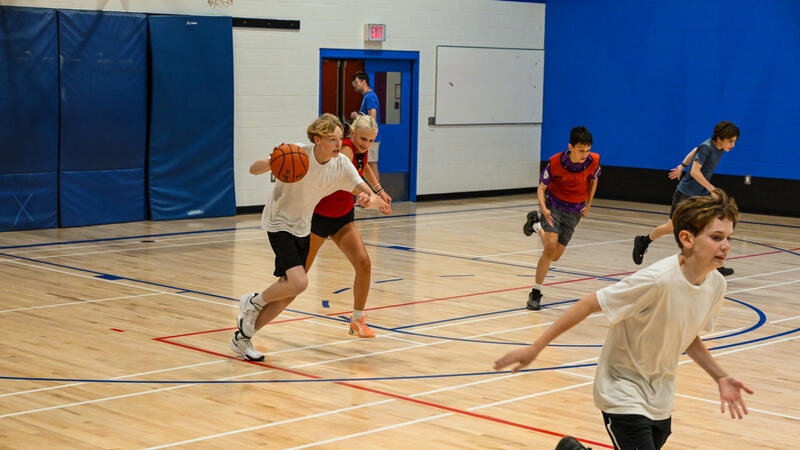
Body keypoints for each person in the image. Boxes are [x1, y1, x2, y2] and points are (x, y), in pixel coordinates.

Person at [495, 189, 753, 450]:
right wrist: (535, 347)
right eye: (717, 237)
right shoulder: (658, 279)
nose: (726, 245)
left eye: (729, 237)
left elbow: (687, 336)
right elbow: (588, 303)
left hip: (660, 395)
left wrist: (720, 376)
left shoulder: (716, 285)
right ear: (686, 238)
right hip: (622, 389)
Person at [231, 113, 391, 361]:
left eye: (340, 139)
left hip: (303, 226)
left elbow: (367, 194)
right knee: (299, 283)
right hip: (279, 222)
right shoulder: (296, 154)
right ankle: (253, 302)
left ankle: (243, 337)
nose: (339, 144)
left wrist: (369, 199)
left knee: (289, 290)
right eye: (332, 139)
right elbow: (253, 169)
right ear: (317, 140)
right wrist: (273, 162)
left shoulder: (342, 165)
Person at [304, 114, 391, 339]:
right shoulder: (345, 152)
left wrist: (378, 191)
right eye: (363, 139)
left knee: (363, 263)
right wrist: (365, 195)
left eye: (371, 141)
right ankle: (257, 309)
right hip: (319, 217)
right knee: (298, 277)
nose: (366, 144)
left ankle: (357, 320)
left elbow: (364, 168)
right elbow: (341, 180)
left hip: (342, 218)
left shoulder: (360, 151)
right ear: (352, 134)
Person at [633, 121, 739, 276]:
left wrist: (682, 166)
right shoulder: (707, 147)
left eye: (734, 141)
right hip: (686, 193)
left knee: (705, 227)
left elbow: (694, 150)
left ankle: (712, 263)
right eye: (731, 141)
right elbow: (695, 172)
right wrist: (712, 189)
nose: (733, 145)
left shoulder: (718, 148)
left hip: (700, 195)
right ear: (720, 137)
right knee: (671, 228)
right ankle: (643, 241)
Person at [522, 126, 600, 310]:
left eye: (587, 150)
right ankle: (536, 292)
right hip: (554, 208)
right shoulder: (555, 162)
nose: (585, 154)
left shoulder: (593, 161)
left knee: (555, 256)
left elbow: (594, 180)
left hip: (574, 212)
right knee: (549, 249)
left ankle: (535, 225)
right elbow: (541, 188)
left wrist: (588, 204)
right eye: (581, 150)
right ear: (570, 147)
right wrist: (544, 209)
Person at [350, 71, 381, 183]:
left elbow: (372, 119)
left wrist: (356, 116)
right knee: (365, 164)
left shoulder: (369, 97)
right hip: (368, 137)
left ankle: (377, 193)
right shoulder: (367, 97)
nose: (354, 85)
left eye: (356, 82)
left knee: (371, 164)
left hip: (371, 138)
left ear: (364, 82)